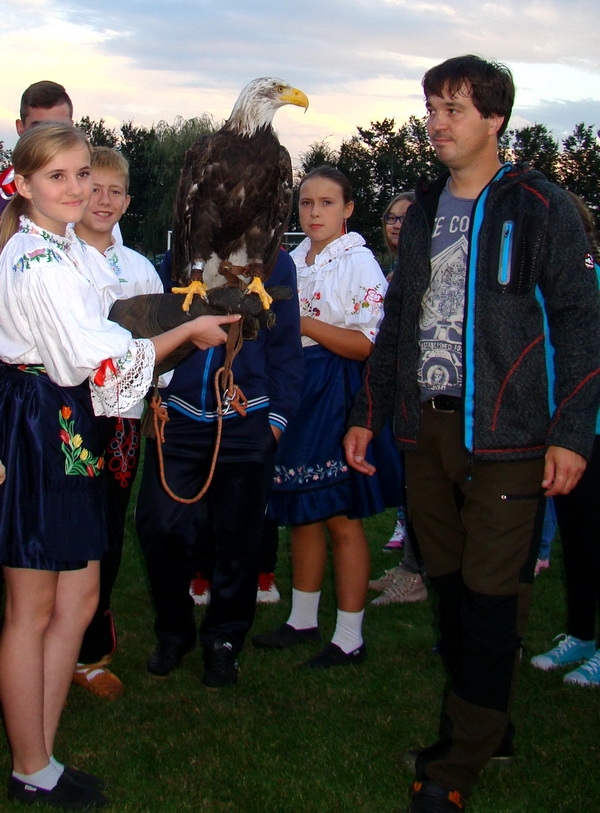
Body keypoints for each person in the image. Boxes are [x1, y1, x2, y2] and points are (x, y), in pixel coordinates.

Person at [344, 55, 600, 812]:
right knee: (452, 593)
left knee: (491, 595)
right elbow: (398, 324)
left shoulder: (541, 205)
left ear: (495, 119)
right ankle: (494, 724)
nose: (437, 122)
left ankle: (455, 765)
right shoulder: (422, 210)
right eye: (431, 107)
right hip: (426, 431)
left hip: (511, 435)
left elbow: (584, 327)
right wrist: (369, 415)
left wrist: (572, 434)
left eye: (454, 108)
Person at [0, 123, 238, 810]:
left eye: (82, 174)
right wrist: (186, 333)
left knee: (76, 597)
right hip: (41, 419)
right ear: (23, 184)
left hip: (72, 416)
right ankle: (29, 764)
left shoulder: (72, 249)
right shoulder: (34, 262)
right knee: (32, 606)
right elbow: (94, 355)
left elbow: (116, 331)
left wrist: (184, 315)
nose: (75, 189)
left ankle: (41, 754)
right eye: (57, 177)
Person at [253, 166, 401, 669]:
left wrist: (303, 322)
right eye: (306, 203)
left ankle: (350, 635)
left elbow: (369, 345)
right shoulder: (294, 259)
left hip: (334, 387)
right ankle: (302, 618)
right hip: (295, 386)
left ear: (348, 209)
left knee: (339, 515)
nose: (314, 212)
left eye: (326, 203)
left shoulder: (358, 263)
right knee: (300, 507)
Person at [135, 246, 303, 689]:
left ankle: (225, 639)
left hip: (248, 419)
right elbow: (154, 326)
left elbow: (286, 344)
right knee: (161, 529)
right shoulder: (179, 258)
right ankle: (174, 632)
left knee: (239, 540)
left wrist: (277, 422)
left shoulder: (276, 261)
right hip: (180, 420)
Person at [70, 146, 164, 700]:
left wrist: (161, 400)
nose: (102, 200)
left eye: (114, 191)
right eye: (93, 187)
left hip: (124, 418)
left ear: (128, 200)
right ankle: (46, 641)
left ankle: (91, 653)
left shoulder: (140, 268)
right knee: (60, 532)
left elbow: (160, 345)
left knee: (106, 531)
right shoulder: (56, 258)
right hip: (65, 414)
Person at [530, 193, 600, 686]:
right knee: (577, 537)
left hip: (592, 427)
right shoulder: (540, 281)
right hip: (557, 426)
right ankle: (580, 632)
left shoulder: (589, 277)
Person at [0, 81, 74, 219]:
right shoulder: (4, 194)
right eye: (40, 128)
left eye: (59, 128)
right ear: (20, 127)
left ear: (72, 127)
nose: (50, 136)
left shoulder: (94, 194)